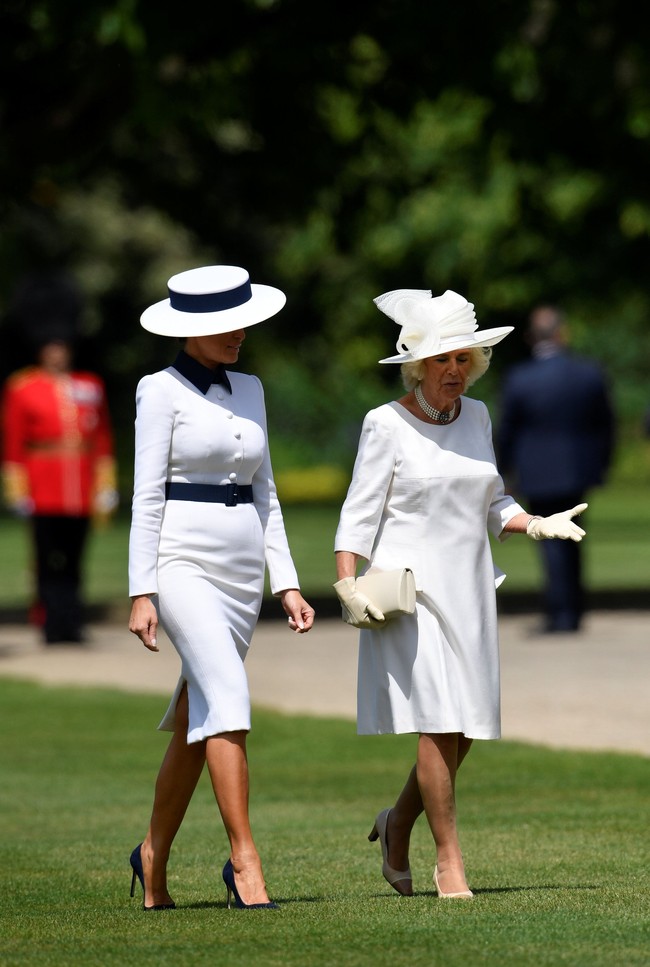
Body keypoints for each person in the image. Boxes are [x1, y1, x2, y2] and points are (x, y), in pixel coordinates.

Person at [333, 287, 587, 899]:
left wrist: (535, 521)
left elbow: (492, 500)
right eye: (443, 360)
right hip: (410, 594)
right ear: (419, 365)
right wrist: (347, 580)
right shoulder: (385, 423)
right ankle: (450, 859)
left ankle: (397, 822)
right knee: (436, 721)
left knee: (465, 726)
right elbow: (358, 515)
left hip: (469, 586)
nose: (455, 370)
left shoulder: (476, 417)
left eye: (463, 359)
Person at [127, 264, 315, 911]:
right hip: (180, 561)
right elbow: (146, 494)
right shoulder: (158, 390)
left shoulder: (252, 387)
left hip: (239, 573)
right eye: (226, 323)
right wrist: (141, 589)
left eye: (243, 320)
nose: (240, 332)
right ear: (191, 329)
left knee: (194, 717)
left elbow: (267, 491)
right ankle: (244, 860)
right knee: (229, 697)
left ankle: (152, 853)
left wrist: (284, 581)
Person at [497, 304, 615, 633]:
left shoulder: (519, 378)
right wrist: (602, 464)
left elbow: (507, 431)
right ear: (563, 332)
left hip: (537, 472)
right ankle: (574, 610)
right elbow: (606, 425)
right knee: (575, 538)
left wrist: (504, 471)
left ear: (532, 337)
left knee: (550, 540)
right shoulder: (589, 372)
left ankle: (560, 613)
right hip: (578, 469)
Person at [1, 322, 117, 644]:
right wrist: (17, 489)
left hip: (80, 487)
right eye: (52, 347)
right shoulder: (23, 387)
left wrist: (105, 484)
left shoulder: (89, 385)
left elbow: (102, 437)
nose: (57, 353)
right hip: (43, 486)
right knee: (47, 559)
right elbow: (14, 442)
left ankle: (71, 621)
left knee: (75, 558)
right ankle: (50, 622)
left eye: (62, 347)